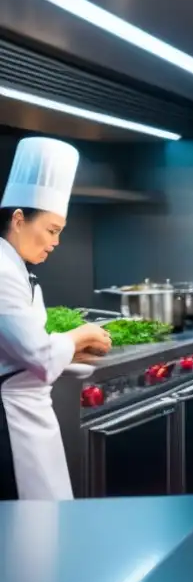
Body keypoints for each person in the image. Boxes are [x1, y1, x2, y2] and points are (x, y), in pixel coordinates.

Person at [0, 137, 111, 499]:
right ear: (19, 219)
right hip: (10, 421)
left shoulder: (20, 271)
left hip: (33, 415)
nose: (56, 242)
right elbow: (40, 356)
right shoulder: (1, 270)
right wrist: (80, 336)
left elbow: (31, 349)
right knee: (23, 529)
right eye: (52, 230)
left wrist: (71, 353)